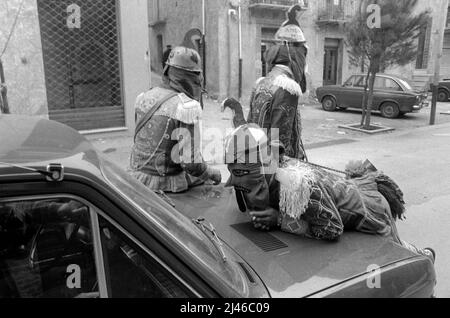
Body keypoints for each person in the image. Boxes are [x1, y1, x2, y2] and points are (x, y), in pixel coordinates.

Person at [224, 125, 436, 262]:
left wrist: (278, 219)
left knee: (396, 256)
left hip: (370, 210)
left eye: (253, 184)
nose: (246, 193)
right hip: (346, 198)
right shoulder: (261, 170)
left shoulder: (298, 185)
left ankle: (424, 257)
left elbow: (332, 228)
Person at [129, 46, 221, 193]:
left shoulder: (143, 97)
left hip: (136, 176)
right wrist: (211, 172)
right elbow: (190, 163)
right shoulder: (186, 107)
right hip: (165, 184)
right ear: (194, 77)